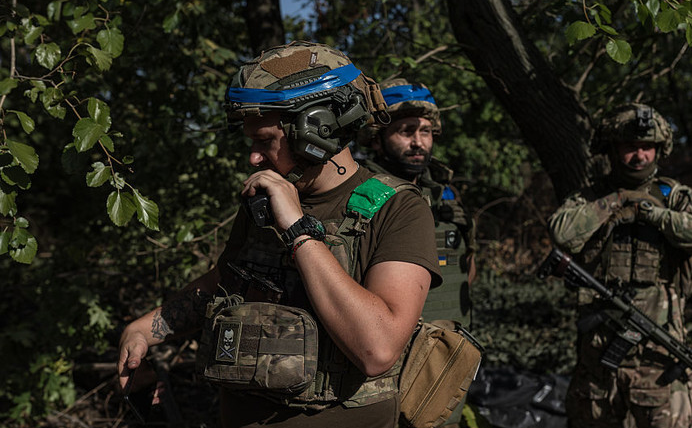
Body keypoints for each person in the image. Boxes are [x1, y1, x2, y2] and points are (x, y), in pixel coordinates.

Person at [117, 41, 441, 428]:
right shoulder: (264, 199)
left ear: (319, 128)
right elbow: (226, 282)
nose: (253, 157)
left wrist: (299, 231)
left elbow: (378, 348)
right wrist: (147, 329)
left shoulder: (399, 207)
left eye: (265, 140)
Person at [547, 103, 692, 428]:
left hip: (659, 359)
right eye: (630, 146)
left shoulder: (674, 197)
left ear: (660, 149)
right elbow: (562, 233)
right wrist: (615, 201)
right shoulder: (591, 197)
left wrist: (655, 215)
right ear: (611, 149)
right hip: (598, 361)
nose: (639, 155)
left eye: (647, 147)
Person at [358, 78, 477, 328]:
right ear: (377, 139)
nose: (418, 142)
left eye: (425, 131)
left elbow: (466, 270)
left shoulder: (444, 192)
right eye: (406, 131)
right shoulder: (362, 193)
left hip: (453, 346)